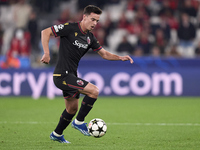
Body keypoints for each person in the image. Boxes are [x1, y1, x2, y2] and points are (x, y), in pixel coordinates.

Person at [40, 5, 133, 143]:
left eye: (97, 21)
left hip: (72, 76)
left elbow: (104, 54)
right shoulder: (70, 28)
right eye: (93, 19)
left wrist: (120, 57)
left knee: (72, 109)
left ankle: (57, 134)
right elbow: (45, 32)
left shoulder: (90, 38)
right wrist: (47, 53)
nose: (95, 23)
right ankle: (79, 122)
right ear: (84, 17)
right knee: (94, 91)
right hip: (62, 75)